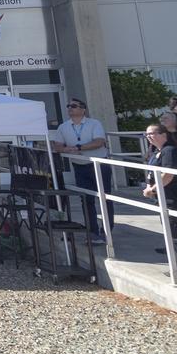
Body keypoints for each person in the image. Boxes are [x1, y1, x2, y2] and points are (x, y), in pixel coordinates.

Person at [50, 97, 111, 244]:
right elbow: (57, 145)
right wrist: (65, 149)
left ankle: (107, 231)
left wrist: (78, 148)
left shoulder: (94, 123)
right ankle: (92, 232)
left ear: (83, 109)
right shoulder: (64, 127)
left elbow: (99, 142)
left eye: (74, 106)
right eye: (69, 106)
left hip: (98, 164)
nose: (70, 108)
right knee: (86, 199)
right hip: (79, 166)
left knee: (105, 198)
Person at [143, 124, 177, 276]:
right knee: (173, 231)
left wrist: (152, 190)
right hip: (165, 196)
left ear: (163, 134)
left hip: (176, 197)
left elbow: (168, 175)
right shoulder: (157, 152)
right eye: (147, 134)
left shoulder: (170, 150)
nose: (149, 137)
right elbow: (152, 173)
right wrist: (149, 187)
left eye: (152, 133)